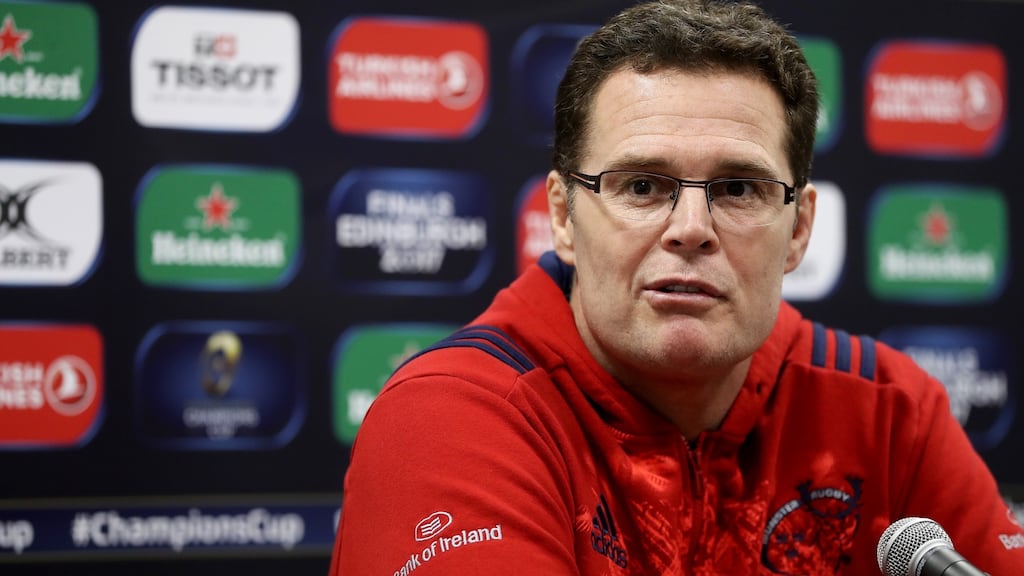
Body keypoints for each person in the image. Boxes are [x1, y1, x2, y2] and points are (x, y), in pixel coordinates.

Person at [329, 0, 1024, 574]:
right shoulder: (454, 417)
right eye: (641, 185)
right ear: (564, 218)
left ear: (800, 229)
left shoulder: (887, 410)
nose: (691, 228)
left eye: (738, 188)